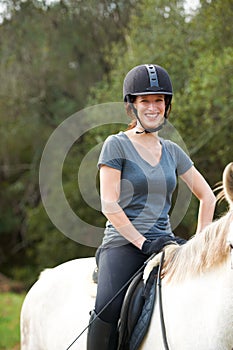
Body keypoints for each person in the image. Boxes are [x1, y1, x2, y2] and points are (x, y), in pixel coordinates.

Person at [86, 64, 216, 350]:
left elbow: (208, 197)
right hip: (123, 244)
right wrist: (143, 243)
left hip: (165, 244)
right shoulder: (115, 145)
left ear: (166, 106)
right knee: (108, 306)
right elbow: (109, 203)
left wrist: (200, 246)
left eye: (159, 100)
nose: (153, 107)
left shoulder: (172, 151)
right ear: (132, 106)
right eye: (145, 100)